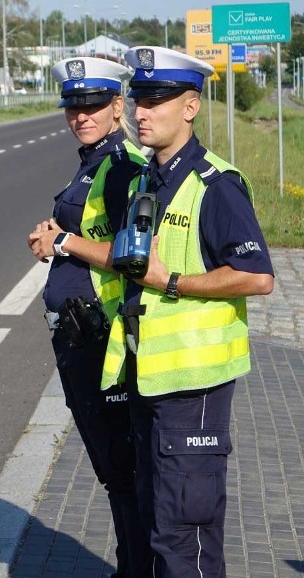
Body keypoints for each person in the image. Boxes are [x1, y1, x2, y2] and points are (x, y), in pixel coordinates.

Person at [100, 46, 275, 577]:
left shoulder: (215, 185)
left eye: (157, 99)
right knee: (156, 526)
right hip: (150, 381)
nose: (141, 111)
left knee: (184, 539)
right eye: (139, 99)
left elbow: (257, 276)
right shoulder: (142, 181)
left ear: (191, 106)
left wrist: (170, 281)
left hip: (194, 388)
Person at [27, 56, 152, 578]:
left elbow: (132, 253)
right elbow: (89, 231)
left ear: (117, 106)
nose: (82, 115)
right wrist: (56, 236)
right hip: (81, 333)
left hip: (102, 336)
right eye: (74, 107)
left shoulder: (121, 165)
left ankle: (135, 570)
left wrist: (64, 242)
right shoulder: (93, 161)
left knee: (121, 470)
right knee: (114, 471)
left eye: (94, 105)